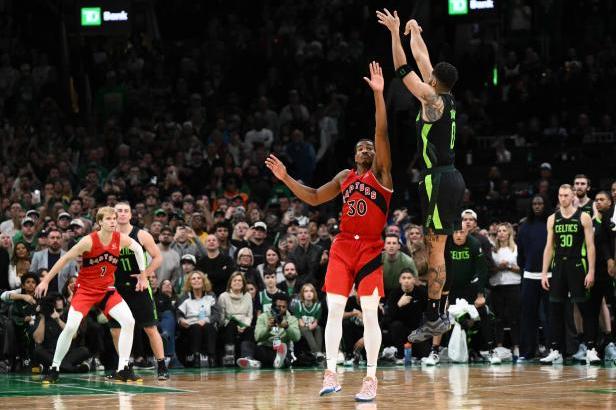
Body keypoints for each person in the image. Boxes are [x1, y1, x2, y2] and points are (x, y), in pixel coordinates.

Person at [266, 61, 391, 401]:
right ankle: (332, 371)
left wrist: (379, 96)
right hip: (342, 246)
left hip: (369, 247)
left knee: (368, 312)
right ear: (354, 155)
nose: (367, 149)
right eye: (361, 148)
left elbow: (381, 133)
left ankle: (370, 378)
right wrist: (286, 179)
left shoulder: (381, 174)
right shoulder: (344, 177)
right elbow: (314, 196)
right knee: (333, 308)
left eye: (370, 148)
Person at [377, 11, 465, 343]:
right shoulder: (445, 94)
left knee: (435, 249)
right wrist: (414, 32)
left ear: (433, 83)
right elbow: (423, 58)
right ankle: (439, 311)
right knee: (437, 246)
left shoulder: (430, 99)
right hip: (450, 176)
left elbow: (403, 71)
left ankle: (433, 316)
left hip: (439, 179)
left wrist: (395, 33)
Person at [34, 207, 149, 383]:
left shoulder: (121, 239)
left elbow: (138, 249)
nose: (113, 222)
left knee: (129, 321)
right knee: (71, 327)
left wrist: (143, 274)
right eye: (109, 219)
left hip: (107, 290)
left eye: (114, 219)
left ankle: (123, 368)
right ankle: (54, 368)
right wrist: (45, 281)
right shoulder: (88, 241)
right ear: (100, 222)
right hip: (86, 290)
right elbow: (64, 260)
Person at [540, 185, 597, 364]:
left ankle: (590, 348)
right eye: (560, 195)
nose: (563, 198)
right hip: (559, 268)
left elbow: (590, 246)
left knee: (585, 309)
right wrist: (544, 273)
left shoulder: (583, 217)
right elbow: (549, 247)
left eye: (566, 195)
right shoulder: (552, 219)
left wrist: (592, 271)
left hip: (578, 265)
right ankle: (556, 349)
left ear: (573, 196)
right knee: (555, 310)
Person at [111, 203, 168, 380]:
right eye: (118, 211)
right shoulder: (107, 236)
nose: (122, 214)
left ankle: (161, 365)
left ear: (130, 215)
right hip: (116, 288)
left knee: (150, 328)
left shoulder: (141, 234)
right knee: (115, 330)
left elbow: (158, 257)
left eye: (125, 211)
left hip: (139, 287)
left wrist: (145, 276)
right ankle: (124, 367)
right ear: (113, 215)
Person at [517, 195, 550, 361]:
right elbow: (520, 254)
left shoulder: (551, 223)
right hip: (529, 276)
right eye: (534, 204)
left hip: (549, 276)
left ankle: (554, 349)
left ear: (545, 205)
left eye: (540, 203)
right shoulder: (524, 227)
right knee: (528, 316)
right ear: (531, 206)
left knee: (550, 316)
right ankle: (528, 351)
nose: (537, 206)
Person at [490, 223, 521, 358]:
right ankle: (499, 346)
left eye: (504, 231)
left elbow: (521, 268)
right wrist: (498, 268)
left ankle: (516, 346)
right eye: (499, 231)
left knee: (514, 317)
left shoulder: (515, 249)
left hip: (513, 284)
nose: (501, 233)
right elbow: (489, 270)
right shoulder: (493, 250)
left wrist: (508, 266)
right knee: (499, 318)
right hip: (497, 286)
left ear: (509, 233)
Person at [176, 271, 218, 368]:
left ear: (203, 281)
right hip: (190, 325)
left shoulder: (210, 296)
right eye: (193, 279)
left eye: (199, 278)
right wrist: (182, 321)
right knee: (196, 327)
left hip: (207, 323)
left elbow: (217, 315)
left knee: (208, 326)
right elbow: (178, 315)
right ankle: (195, 356)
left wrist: (207, 320)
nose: (196, 280)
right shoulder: (184, 297)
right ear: (189, 282)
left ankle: (211, 357)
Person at [216, 272, 255, 367]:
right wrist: (235, 325)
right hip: (227, 326)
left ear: (243, 284)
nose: (237, 282)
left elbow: (249, 315)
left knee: (249, 329)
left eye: (240, 280)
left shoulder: (248, 296)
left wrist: (243, 325)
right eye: (235, 280)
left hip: (243, 325)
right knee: (231, 323)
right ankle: (229, 356)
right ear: (230, 283)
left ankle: (247, 357)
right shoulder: (223, 296)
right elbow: (221, 319)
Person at [253, 291, 300, 368]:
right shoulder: (263, 317)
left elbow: (297, 337)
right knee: (260, 351)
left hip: (281, 348)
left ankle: (277, 360)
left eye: (283, 307)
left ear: (287, 307)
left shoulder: (291, 319)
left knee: (286, 353)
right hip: (266, 347)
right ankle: (278, 361)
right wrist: (268, 328)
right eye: (278, 306)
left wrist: (287, 327)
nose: (281, 309)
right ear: (273, 306)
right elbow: (257, 337)